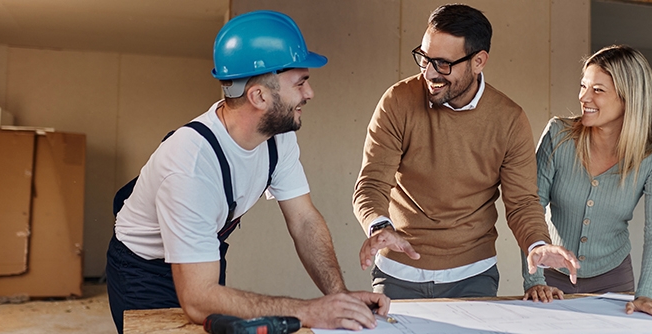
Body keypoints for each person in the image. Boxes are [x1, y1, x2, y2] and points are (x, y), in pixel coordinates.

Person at [106, 10, 389, 333]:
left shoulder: (278, 138)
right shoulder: (191, 165)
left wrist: (340, 299)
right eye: (300, 83)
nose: (309, 94)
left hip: (202, 259)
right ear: (258, 96)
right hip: (144, 271)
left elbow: (304, 219)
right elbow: (198, 299)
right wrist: (310, 311)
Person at [353, 4, 580, 299]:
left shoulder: (509, 119)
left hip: (473, 275)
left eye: (443, 64)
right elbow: (371, 184)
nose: (430, 73)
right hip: (398, 271)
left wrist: (537, 243)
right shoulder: (398, 101)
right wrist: (379, 225)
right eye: (424, 59)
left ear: (478, 62)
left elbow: (522, 202)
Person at [520, 45, 652, 319]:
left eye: (598, 89)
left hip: (615, 281)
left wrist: (646, 294)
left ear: (629, 98)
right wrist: (535, 281)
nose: (584, 97)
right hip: (552, 282)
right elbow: (530, 205)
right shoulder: (558, 136)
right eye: (583, 86)